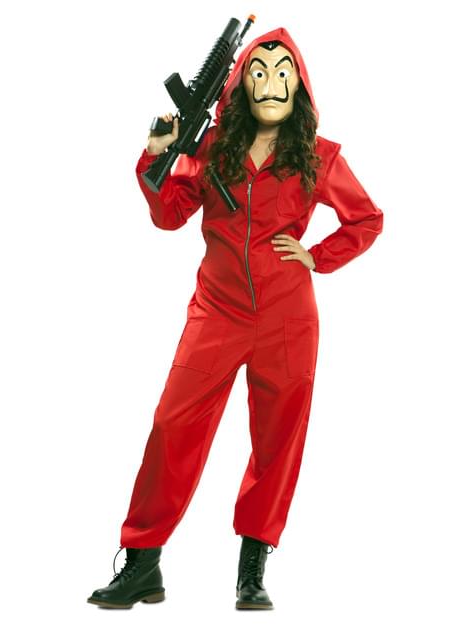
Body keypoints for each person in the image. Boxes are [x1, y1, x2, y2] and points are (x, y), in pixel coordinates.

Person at [87, 25, 384, 611]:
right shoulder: (213, 149)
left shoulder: (319, 156)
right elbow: (169, 216)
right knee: (173, 426)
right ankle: (142, 564)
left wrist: (317, 256)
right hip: (216, 311)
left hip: (287, 318)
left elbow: (366, 219)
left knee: (277, 440)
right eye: (258, 71)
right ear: (242, 85)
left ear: (299, 85)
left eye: (282, 71)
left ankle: (252, 570)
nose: (270, 81)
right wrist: (157, 156)